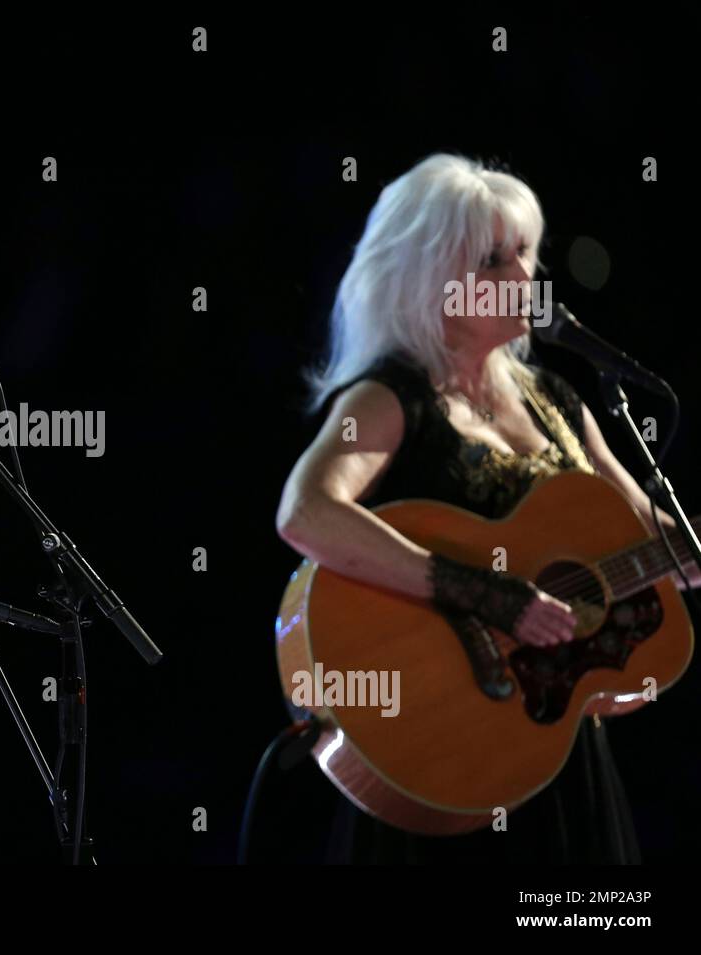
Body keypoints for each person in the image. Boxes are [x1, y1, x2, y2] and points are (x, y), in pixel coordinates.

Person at [276, 153, 699, 863]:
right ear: (429, 279)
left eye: (526, 253)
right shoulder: (390, 398)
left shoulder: (559, 401)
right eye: (493, 260)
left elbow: (658, 539)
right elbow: (306, 512)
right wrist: (487, 593)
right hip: (440, 746)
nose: (524, 276)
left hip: (554, 754)